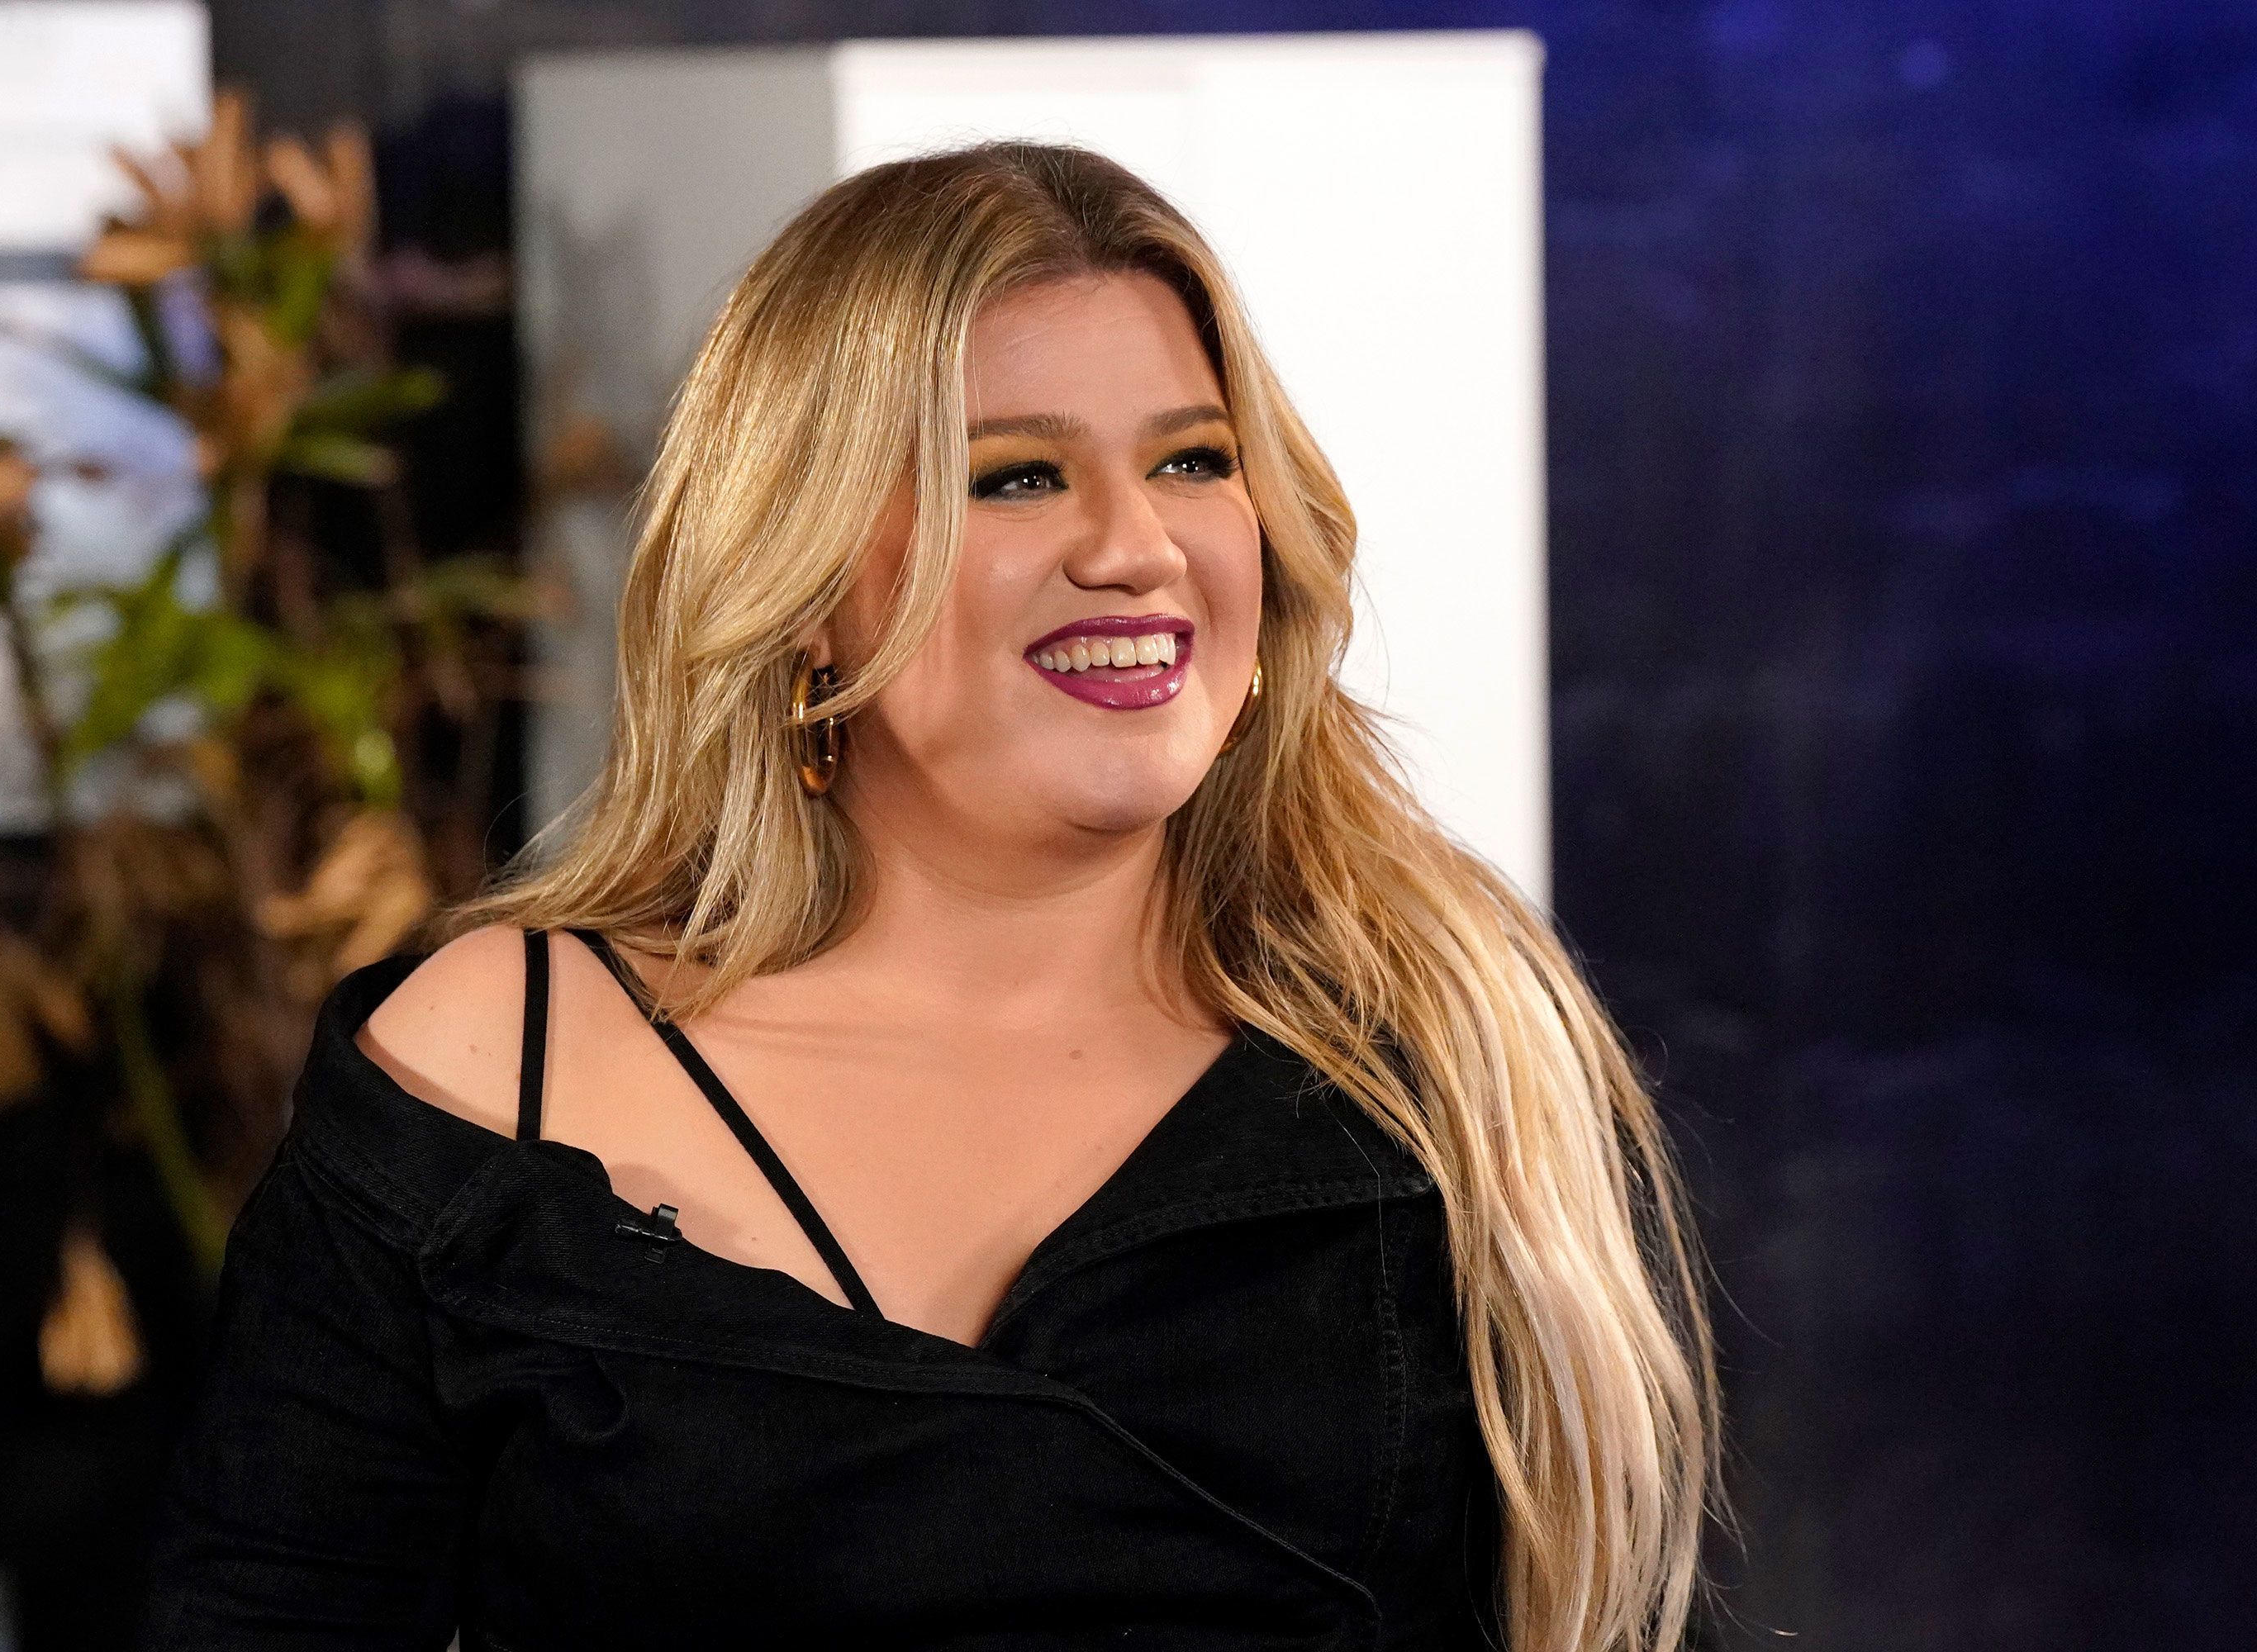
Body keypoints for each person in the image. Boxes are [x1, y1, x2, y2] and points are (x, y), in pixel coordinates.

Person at [139, 141, 1715, 1651]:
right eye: (1017, 477)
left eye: (1193, 460)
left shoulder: (1449, 1051)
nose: (1138, 546)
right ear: (806, 580)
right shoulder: (495, 1066)